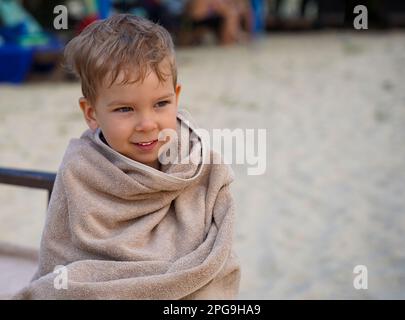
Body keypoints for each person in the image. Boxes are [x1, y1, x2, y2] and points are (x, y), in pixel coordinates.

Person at [13, 14, 240, 299]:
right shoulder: (80, 170)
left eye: (161, 104)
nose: (147, 124)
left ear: (177, 97)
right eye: (125, 109)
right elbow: (61, 260)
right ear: (91, 113)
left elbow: (218, 255)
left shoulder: (199, 163)